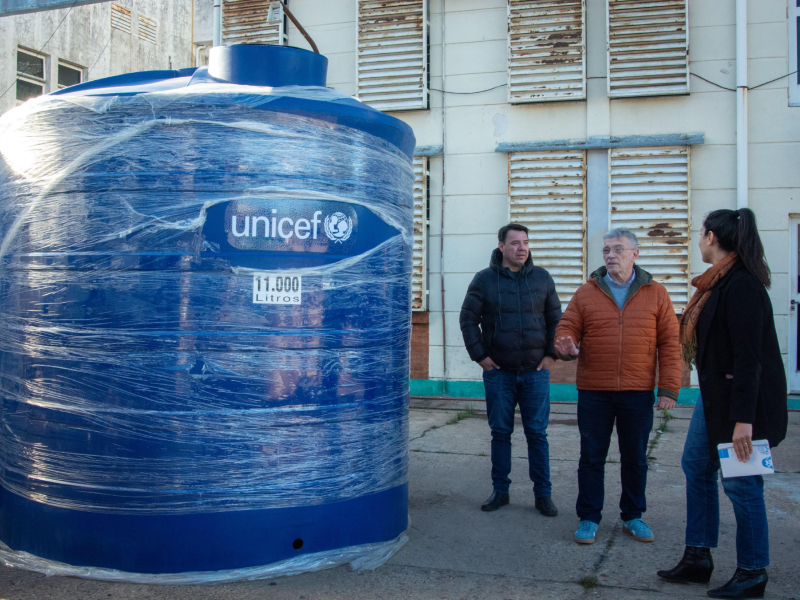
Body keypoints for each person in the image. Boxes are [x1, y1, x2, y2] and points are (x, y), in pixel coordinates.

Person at [657, 209, 788, 599]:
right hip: (714, 398)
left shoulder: (742, 286)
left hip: (743, 407)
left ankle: (752, 572)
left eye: (700, 234)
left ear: (711, 237)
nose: (698, 240)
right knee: (696, 465)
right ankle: (698, 557)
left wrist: (744, 422)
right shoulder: (716, 284)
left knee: (743, 487)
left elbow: (751, 359)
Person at [554, 228, 681, 545]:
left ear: (635, 254)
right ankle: (588, 517)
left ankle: (633, 515)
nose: (610, 255)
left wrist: (667, 388)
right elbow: (566, 328)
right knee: (591, 456)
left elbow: (670, 344)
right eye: (606, 250)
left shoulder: (656, 293)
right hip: (594, 390)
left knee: (635, 457)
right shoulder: (587, 292)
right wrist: (564, 345)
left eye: (618, 249)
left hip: (637, 392)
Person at [459, 223, 562, 516]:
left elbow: (557, 319)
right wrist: (480, 356)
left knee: (537, 434)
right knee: (501, 433)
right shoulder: (484, 280)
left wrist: (551, 355)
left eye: (525, 242)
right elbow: (467, 319)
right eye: (515, 243)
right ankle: (500, 491)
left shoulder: (542, 278)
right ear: (501, 246)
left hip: (535, 373)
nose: (522, 248)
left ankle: (543, 494)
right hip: (499, 374)